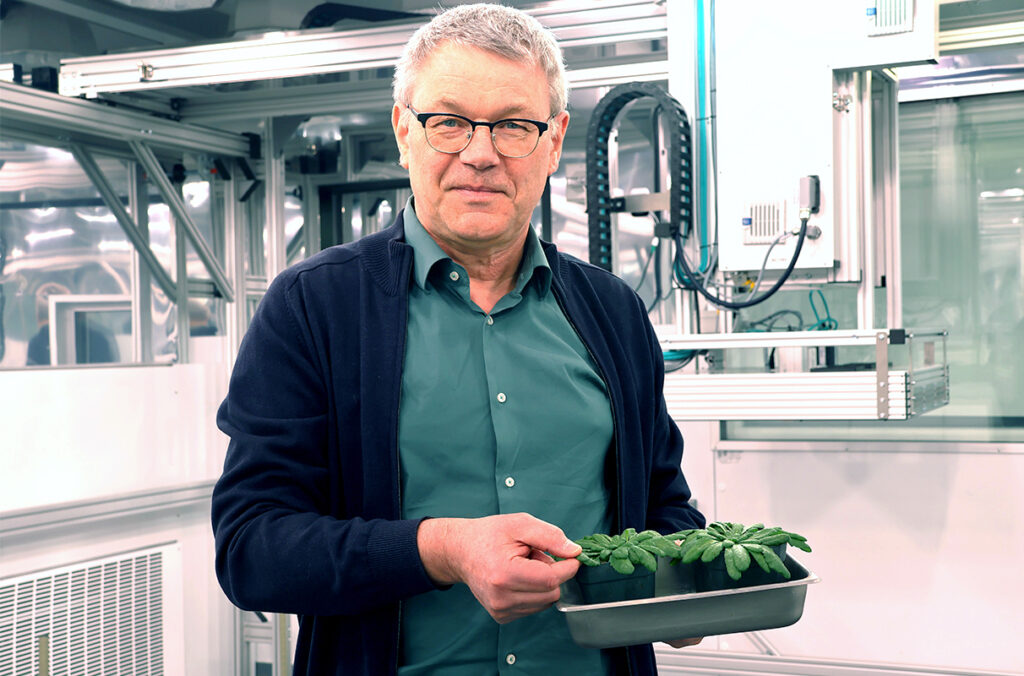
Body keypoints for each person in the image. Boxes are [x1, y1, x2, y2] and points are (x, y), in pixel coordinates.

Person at [211, 4, 705, 675]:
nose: (480, 153)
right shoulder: (314, 308)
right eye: (448, 122)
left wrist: (684, 590)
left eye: (512, 125)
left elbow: (666, 509)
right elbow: (251, 548)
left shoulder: (612, 313)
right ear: (403, 132)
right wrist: (440, 550)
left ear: (554, 140)